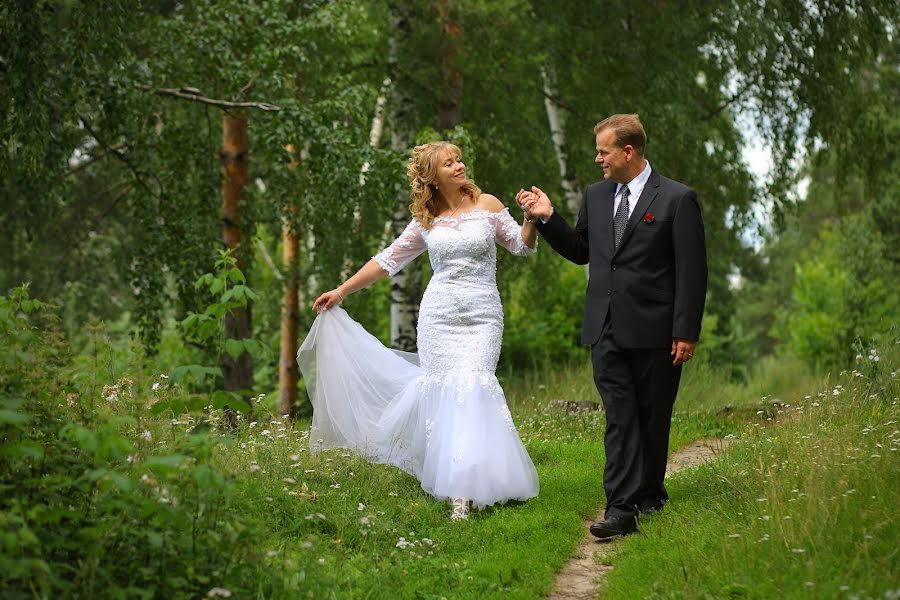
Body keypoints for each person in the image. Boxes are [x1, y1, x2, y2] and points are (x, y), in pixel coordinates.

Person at [297, 141, 540, 521]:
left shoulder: (488, 205)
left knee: (475, 384)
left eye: (459, 159)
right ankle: (461, 491)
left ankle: (472, 481)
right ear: (432, 177)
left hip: (482, 316)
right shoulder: (427, 221)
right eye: (449, 163)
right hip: (438, 318)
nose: (459, 166)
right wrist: (341, 290)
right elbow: (386, 261)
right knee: (447, 394)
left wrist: (531, 218)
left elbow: (522, 248)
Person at [518, 114, 707, 539]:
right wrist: (547, 218)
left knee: (653, 416)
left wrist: (686, 331)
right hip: (605, 329)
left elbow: (692, 272)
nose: (597, 158)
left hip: (659, 333)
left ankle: (651, 494)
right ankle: (621, 508)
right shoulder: (596, 196)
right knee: (620, 418)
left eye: (603, 150)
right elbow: (582, 250)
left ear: (628, 151)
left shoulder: (678, 199)